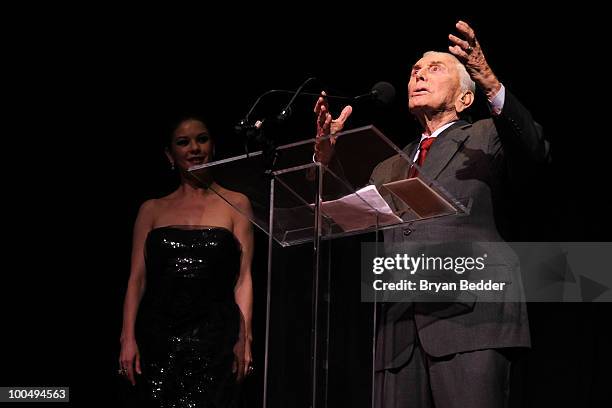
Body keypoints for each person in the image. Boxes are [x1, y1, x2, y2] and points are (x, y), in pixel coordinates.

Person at [314, 21, 549, 407]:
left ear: (464, 99)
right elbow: (339, 219)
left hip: (472, 321)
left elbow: (534, 149)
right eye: (414, 70)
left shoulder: (485, 136)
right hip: (398, 333)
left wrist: (489, 80)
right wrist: (324, 162)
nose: (418, 73)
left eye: (434, 68)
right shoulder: (389, 165)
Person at [119, 116, 254, 407]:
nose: (194, 148)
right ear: (170, 154)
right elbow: (136, 279)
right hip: (159, 337)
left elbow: (243, 278)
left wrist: (246, 338)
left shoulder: (236, 203)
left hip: (215, 337)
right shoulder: (151, 209)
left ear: (212, 145)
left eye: (202, 139)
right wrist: (127, 338)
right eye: (183, 142)